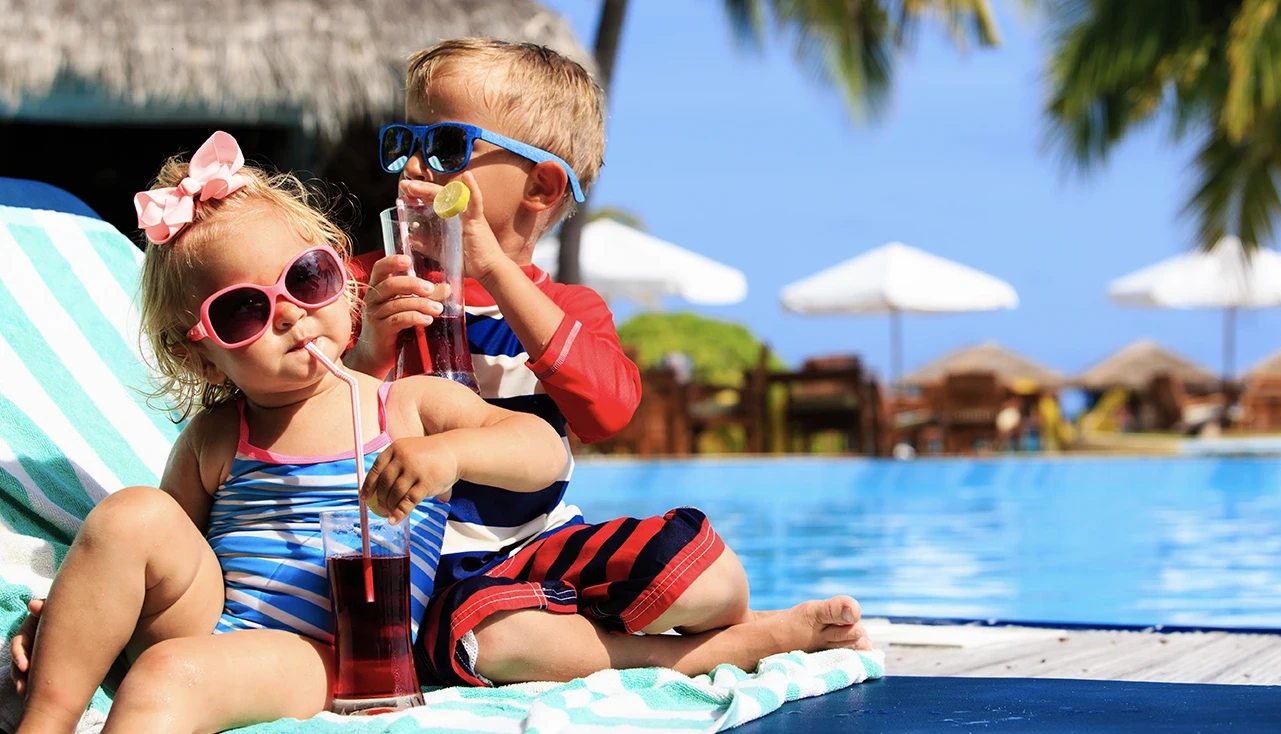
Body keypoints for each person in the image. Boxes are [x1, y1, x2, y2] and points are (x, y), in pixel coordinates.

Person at [346, 39, 871, 689]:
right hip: (429, 573)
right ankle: (687, 655)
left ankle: (711, 621)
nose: (415, 167)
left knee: (715, 575)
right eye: (405, 140)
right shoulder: (366, 288)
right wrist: (370, 348)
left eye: (448, 146)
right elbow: (309, 416)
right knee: (495, 639)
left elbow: (609, 411)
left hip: (540, 548)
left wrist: (494, 271)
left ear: (540, 184)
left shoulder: (565, 308)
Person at [11, 131, 569, 733]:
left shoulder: (405, 406)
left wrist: (449, 455)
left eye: (306, 278)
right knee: (132, 514)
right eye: (242, 310)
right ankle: (45, 719)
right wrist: (82, 616)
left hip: (331, 656)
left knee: (167, 674)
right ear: (200, 356)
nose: (288, 311)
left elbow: (546, 452)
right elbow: (157, 554)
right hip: (209, 624)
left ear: (341, 275)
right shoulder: (218, 436)